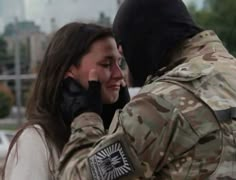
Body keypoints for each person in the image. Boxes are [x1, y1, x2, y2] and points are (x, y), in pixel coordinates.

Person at [57, 0, 236, 179]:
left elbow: (77, 176)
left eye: (123, 56)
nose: (121, 74)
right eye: (106, 64)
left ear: (139, 42)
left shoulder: (160, 103)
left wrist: (86, 118)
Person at [2, 22, 129, 180]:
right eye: (106, 64)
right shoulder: (36, 141)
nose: (119, 74)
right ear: (68, 73)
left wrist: (123, 128)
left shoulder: (112, 131)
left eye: (120, 63)